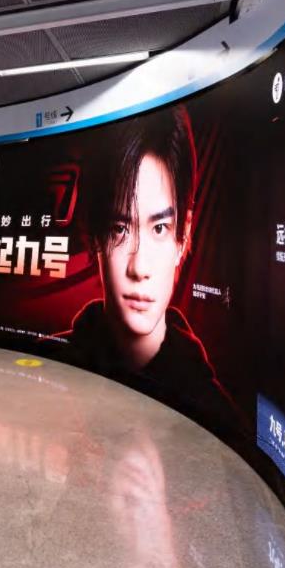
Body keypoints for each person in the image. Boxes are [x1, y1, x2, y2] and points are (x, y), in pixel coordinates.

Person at [60, 107, 236, 425]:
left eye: (159, 228)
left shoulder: (216, 414)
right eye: (120, 229)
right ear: (95, 235)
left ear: (183, 236)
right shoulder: (56, 366)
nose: (139, 267)